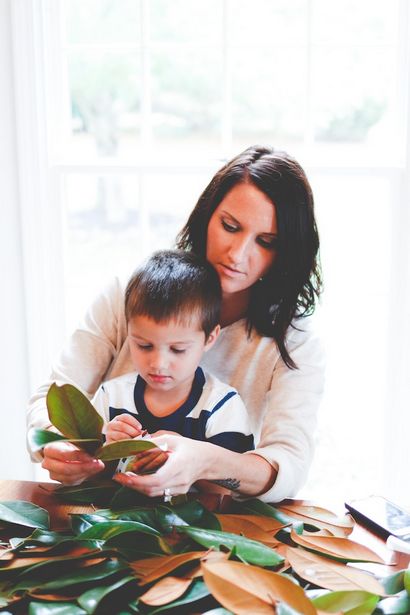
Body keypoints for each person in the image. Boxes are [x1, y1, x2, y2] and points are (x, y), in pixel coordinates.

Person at [28, 144, 324, 503]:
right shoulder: (129, 294)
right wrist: (57, 446)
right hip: (102, 512)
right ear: (206, 217)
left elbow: (288, 465)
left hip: (216, 532)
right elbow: (54, 395)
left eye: (265, 242)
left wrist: (205, 461)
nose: (238, 254)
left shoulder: (293, 343)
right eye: (230, 227)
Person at [93, 249, 254, 460]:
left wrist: (187, 454)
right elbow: (85, 469)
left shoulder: (221, 406)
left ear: (209, 338)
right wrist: (107, 447)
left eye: (178, 350)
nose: (159, 364)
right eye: (144, 345)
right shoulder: (110, 397)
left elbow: (228, 487)